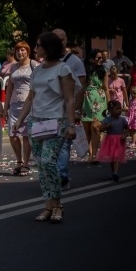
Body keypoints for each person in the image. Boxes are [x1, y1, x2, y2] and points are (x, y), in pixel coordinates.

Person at [12, 32, 77, 224]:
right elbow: (31, 97)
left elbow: (69, 98)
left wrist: (72, 124)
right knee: (41, 165)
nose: (35, 48)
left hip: (56, 121)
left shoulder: (63, 69)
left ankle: (58, 205)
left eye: (39, 45)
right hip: (36, 121)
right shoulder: (38, 70)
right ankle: (48, 205)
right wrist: (20, 120)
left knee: (48, 162)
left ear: (48, 47)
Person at [52, 28, 87, 191]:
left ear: (66, 40)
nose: (59, 42)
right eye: (56, 39)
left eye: (62, 39)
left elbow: (80, 88)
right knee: (52, 144)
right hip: (50, 110)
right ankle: (60, 174)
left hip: (67, 110)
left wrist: (78, 111)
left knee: (64, 144)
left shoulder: (75, 61)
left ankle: (62, 177)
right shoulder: (47, 60)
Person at [5, 41, 38, 177]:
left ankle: (25, 163)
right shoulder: (13, 67)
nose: (20, 53)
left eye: (23, 50)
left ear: (28, 51)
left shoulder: (34, 65)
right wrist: (5, 106)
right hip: (14, 104)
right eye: (18, 50)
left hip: (28, 103)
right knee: (12, 134)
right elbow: (10, 88)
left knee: (25, 135)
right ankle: (18, 161)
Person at [82, 49, 109, 164]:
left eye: (101, 58)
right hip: (86, 100)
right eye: (98, 58)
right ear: (91, 58)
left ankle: (94, 155)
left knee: (95, 127)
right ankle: (91, 154)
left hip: (99, 100)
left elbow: (106, 88)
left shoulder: (103, 70)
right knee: (87, 129)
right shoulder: (85, 70)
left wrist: (109, 104)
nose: (100, 60)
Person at [96, 100, 128, 182]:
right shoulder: (107, 120)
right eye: (117, 109)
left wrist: (125, 135)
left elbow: (127, 128)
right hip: (110, 140)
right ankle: (113, 172)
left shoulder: (122, 120)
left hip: (119, 140)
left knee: (117, 156)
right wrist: (106, 127)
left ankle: (116, 173)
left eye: (120, 109)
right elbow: (100, 129)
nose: (119, 110)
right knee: (112, 158)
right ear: (110, 111)